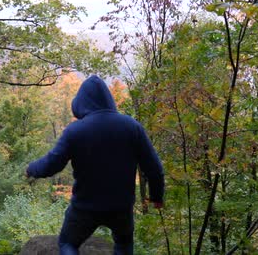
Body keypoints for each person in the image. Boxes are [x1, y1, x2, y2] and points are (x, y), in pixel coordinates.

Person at [26, 75, 165, 255]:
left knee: (68, 243)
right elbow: (153, 167)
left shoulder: (75, 131)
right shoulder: (132, 127)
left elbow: (52, 164)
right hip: (121, 207)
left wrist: (31, 169)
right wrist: (157, 196)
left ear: (81, 103)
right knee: (123, 246)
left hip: (85, 208)